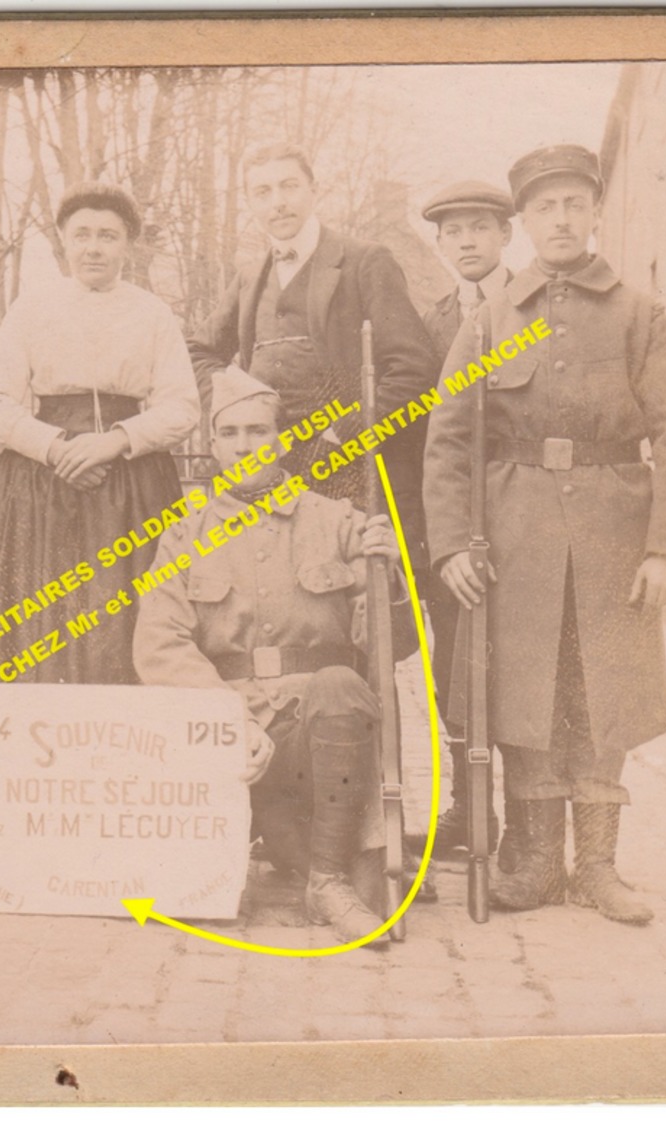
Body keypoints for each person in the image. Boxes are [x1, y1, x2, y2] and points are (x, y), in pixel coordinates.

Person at [424, 145, 666, 924]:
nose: (560, 219)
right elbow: (447, 439)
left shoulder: (637, 314)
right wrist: (450, 544)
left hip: (616, 535)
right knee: (525, 694)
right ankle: (538, 863)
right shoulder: (489, 320)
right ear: (526, 222)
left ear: (592, 215)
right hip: (512, 539)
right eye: (545, 207)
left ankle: (598, 868)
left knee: (602, 693)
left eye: (573, 205)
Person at [133, 368, 415, 947]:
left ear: (281, 439)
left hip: (326, 744)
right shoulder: (183, 536)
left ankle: (328, 880)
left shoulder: (338, 523)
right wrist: (229, 720)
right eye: (230, 433)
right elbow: (159, 647)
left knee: (339, 682)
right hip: (238, 749)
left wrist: (390, 579)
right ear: (210, 445)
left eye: (257, 431)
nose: (244, 446)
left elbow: (392, 647)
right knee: (267, 856)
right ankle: (305, 860)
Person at [0, 182, 200, 685]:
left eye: (108, 236)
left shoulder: (152, 313)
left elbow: (183, 405)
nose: (94, 247)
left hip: (131, 486)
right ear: (63, 242)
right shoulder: (32, 308)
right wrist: (53, 447)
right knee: (37, 617)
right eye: (82, 235)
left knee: (128, 614)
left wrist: (117, 439)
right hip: (40, 485)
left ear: (128, 246)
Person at [186, 142, 435, 535]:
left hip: (349, 467)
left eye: (289, 186)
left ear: (313, 190)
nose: (278, 203)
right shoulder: (250, 277)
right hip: (271, 471)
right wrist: (236, 406)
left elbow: (415, 369)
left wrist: (348, 431)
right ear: (250, 202)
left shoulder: (365, 261)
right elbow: (199, 352)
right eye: (262, 192)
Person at [405, 180, 517, 869]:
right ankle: (472, 813)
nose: (468, 241)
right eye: (454, 232)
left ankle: (534, 826)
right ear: (441, 246)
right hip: (451, 530)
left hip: (525, 512)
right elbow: (431, 437)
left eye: (480, 227)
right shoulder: (432, 322)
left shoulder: (534, 303)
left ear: (507, 234)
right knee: (454, 666)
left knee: (524, 667)